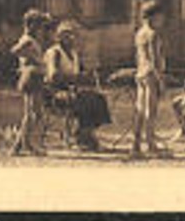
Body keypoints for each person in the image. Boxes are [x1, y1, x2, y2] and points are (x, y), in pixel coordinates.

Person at [44, 20, 112, 151]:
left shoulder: (74, 54)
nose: (70, 38)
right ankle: (82, 136)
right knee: (85, 101)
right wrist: (75, 78)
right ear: (58, 37)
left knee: (98, 98)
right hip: (55, 92)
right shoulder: (55, 53)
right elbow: (53, 76)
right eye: (66, 35)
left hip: (72, 91)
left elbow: (81, 73)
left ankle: (85, 133)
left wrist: (89, 75)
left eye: (72, 35)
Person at [7, 8, 52, 155]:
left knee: (32, 113)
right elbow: (14, 51)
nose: (41, 30)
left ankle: (19, 145)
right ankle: (25, 144)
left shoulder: (31, 39)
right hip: (32, 77)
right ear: (31, 25)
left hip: (35, 76)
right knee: (35, 113)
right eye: (39, 25)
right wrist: (29, 62)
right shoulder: (27, 40)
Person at [130, 0, 167, 158]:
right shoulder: (153, 34)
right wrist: (161, 80)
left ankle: (136, 144)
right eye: (160, 17)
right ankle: (150, 143)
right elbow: (154, 58)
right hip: (151, 74)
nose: (162, 20)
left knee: (140, 110)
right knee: (150, 111)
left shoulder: (139, 33)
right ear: (153, 17)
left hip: (141, 73)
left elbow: (139, 57)